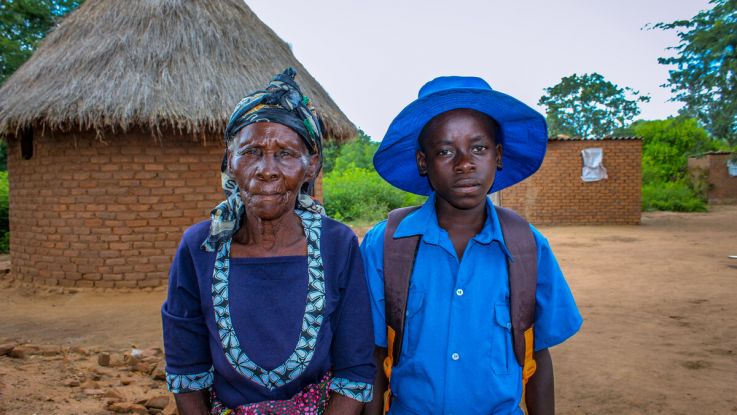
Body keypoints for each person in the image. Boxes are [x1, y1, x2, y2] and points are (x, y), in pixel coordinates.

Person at [360, 76, 583, 415]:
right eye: (445, 151)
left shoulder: (528, 247)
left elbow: (538, 358)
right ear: (423, 162)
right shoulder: (386, 245)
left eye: (478, 148)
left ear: (499, 156)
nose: (464, 163)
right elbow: (373, 357)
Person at [161, 68, 375, 415]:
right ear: (229, 163)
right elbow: (187, 369)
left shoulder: (338, 245)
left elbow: (355, 372)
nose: (267, 169)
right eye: (251, 152)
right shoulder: (200, 247)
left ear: (311, 166)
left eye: (286, 154)